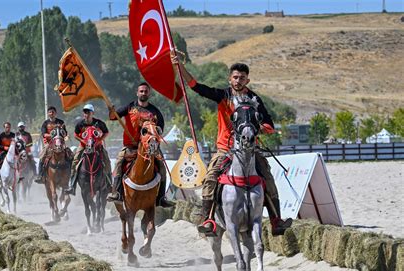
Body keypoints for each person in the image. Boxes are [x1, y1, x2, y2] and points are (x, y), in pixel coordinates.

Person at [173, 56, 292, 236]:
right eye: (235, 77)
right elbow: (196, 86)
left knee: (267, 177)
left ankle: (276, 221)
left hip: (250, 150)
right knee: (211, 177)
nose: (238, 81)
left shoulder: (255, 100)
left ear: (247, 80)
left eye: (242, 78)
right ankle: (208, 220)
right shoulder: (223, 95)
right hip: (225, 149)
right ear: (230, 79)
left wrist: (256, 128)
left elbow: (270, 125)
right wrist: (179, 67)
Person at [107, 82, 175, 208]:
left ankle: (161, 198)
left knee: (162, 167)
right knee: (118, 163)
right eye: (141, 91)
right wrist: (110, 110)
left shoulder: (155, 112)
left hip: (150, 148)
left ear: (149, 93)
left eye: (146, 91)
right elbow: (113, 117)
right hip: (130, 147)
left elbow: (159, 132)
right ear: (137, 93)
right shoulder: (129, 107)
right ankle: (117, 193)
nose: (143, 93)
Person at [65, 104, 112, 195]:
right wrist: (83, 141)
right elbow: (75, 135)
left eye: (88, 112)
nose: (86, 114)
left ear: (92, 113)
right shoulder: (80, 124)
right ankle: (72, 185)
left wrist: (99, 141)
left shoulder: (99, 123)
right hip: (83, 146)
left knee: (107, 160)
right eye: (85, 112)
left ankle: (110, 184)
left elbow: (106, 132)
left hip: (97, 146)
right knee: (75, 161)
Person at [34, 106, 68, 184]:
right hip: (49, 144)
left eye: (53, 112)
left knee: (70, 155)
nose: (51, 113)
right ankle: (40, 175)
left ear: (55, 113)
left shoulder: (61, 122)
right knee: (42, 157)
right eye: (50, 112)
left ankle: (71, 174)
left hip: (60, 142)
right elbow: (44, 134)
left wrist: (61, 131)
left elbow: (65, 133)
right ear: (48, 113)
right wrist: (53, 135)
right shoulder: (45, 123)